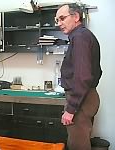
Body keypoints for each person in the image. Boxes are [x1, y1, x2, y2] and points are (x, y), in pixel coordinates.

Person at [55, 3, 102, 150]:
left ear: (76, 17)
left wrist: (71, 109)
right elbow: (97, 72)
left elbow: (83, 76)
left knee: (78, 145)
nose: (59, 24)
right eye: (57, 20)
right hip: (86, 97)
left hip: (81, 101)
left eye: (62, 18)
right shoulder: (81, 36)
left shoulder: (80, 37)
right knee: (80, 141)